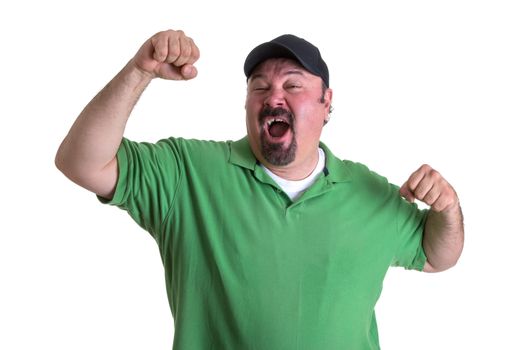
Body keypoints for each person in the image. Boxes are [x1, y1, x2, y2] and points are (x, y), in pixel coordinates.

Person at [55, 29, 464, 349]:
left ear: (327, 102)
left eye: (293, 85)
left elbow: (437, 255)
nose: (274, 98)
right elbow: (81, 162)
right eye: (260, 87)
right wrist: (139, 71)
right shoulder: (188, 174)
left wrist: (448, 209)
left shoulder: (370, 194)